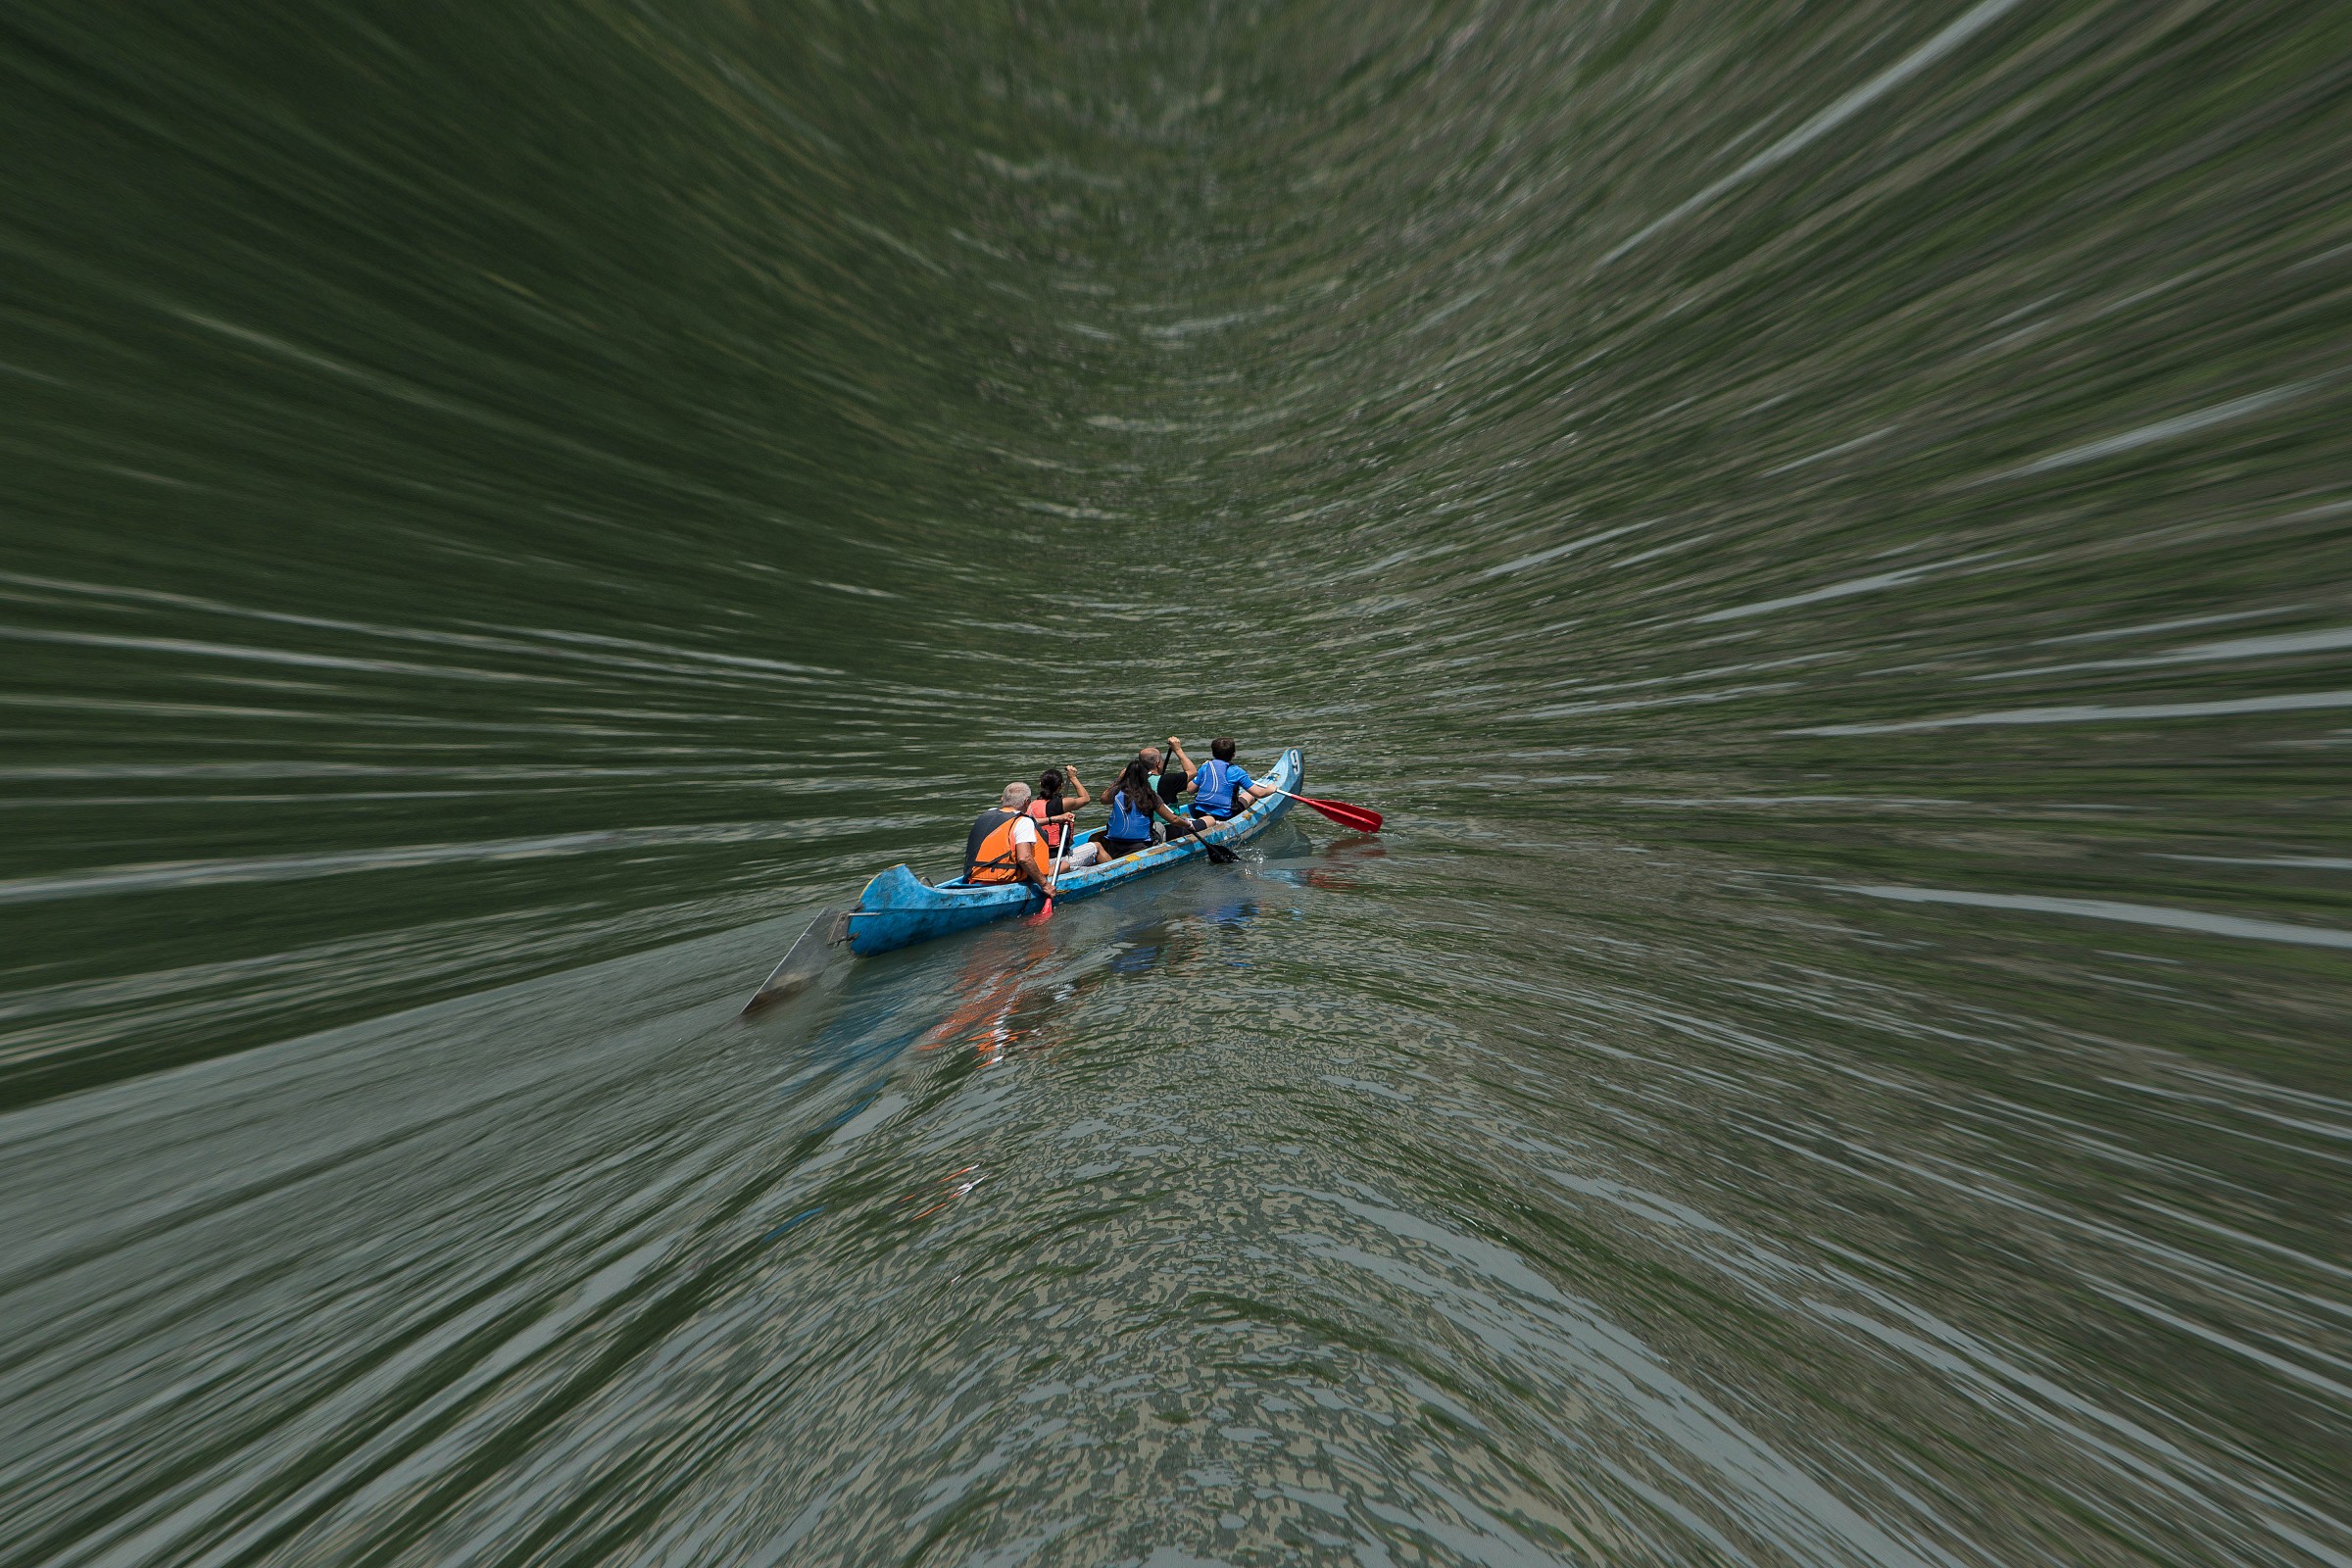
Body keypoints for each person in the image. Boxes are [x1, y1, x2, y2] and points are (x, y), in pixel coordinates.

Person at [964, 782, 1054, 896]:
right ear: (1027, 801)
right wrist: (1045, 885)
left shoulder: (987, 815)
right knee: (1063, 865)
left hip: (975, 876)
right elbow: (1024, 858)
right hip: (1005, 880)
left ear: (1002, 799)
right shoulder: (1023, 822)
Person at [1099, 756, 1192, 859]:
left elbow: (1103, 799)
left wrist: (1118, 780)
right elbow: (1173, 820)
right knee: (1159, 825)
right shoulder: (1150, 795)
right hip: (1141, 846)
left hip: (1114, 846)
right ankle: (1160, 856)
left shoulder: (1117, 791)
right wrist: (1188, 824)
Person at [1187, 737, 1264, 821]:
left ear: (1213, 753)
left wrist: (1200, 770)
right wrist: (1271, 789)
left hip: (1200, 813)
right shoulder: (1237, 771)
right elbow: (1259, 793)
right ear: (1233, 754)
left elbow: (1190, 790)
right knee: (1249, 795)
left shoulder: (1205, 767)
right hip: (1225, 815)